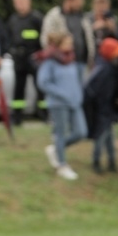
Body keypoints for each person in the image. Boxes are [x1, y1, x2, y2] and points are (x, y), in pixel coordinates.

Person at [36, 31, 87, 180]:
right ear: (59, 44)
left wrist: (78, 95)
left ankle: (55, 149)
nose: (71, 45)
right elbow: (43, 82)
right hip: (58, 104)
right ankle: (62, 165)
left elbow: (77, 80)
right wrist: (62, 94)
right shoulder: (49, 61)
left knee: (81, 132)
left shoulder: (71, 59)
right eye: (68, 42)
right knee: (60, 133)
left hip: (74, 102)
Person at [85, 37, 118, 174]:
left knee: (109, 136)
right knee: (101, 136)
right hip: (102, 109)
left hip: (107, 108)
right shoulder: (104, 69)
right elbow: (94, 91)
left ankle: (111, 162)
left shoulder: (108, 67)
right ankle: (96, 161)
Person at [7, 0, 44, 125]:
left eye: (23, 1)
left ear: (29, 2)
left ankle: (44, 114)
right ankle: (17, 117)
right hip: (19, 59)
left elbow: (42, 37)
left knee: (40, 87)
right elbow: (9, 39)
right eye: (18, 2)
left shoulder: (36, 18)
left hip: (34, 57)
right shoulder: (13, 19)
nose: (21, 4)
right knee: (18, 89)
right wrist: (12, 51)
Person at [41, 0, 95, 79]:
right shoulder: (55, 15)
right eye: (77, 3)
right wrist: (57, 56)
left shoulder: (83, 17)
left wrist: (91, 57)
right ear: (69, 0)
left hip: (82, 62)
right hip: (62, 63)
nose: (79, 6)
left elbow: (89, 39)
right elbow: (45, 38)